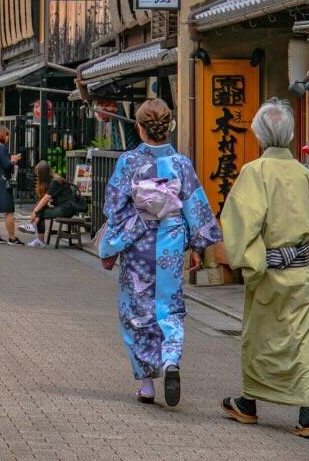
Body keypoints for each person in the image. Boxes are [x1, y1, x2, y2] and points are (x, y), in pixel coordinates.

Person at [219, 98, 309, 440]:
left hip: (267, 271)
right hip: (299, 271)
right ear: (288, 134)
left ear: (258, 134)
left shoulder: (253, 172)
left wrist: (253, 264)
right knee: (301, 341)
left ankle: (249, 403)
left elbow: (241, 225)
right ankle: (306, 414)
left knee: (259, 338)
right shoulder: (303, 174)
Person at [98, 98, 221, 407]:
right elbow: (196, 206)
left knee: (136, 312)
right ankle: (169, 360)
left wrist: (113, 244)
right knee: (169, 308)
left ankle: (146, 384)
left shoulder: (129, 162)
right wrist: (197, 246)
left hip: (138, 243)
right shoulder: (181, 164)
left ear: (139, 129)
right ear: (169, 128)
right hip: (171, 240)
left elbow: (114, 207)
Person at [21, 161, 84, 247]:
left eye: (38, 174)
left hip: (67, 208)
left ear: (43, 174)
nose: (37, 176)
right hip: (63, 207)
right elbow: (44, 200)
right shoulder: (52, 180)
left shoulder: (55, 182)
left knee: (40, 212)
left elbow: (46, 199)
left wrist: (35, 212)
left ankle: (38, 237)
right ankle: (34, 230)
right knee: (41, 208)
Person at [0, 126, 24, 246]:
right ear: (3, 135)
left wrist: (9, 160)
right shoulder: (1, 148)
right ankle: (12, 238)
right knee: (9, 211)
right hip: (2, 181)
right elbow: (7, 165)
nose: (8, 138)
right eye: (7, 135)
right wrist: (13, 160)